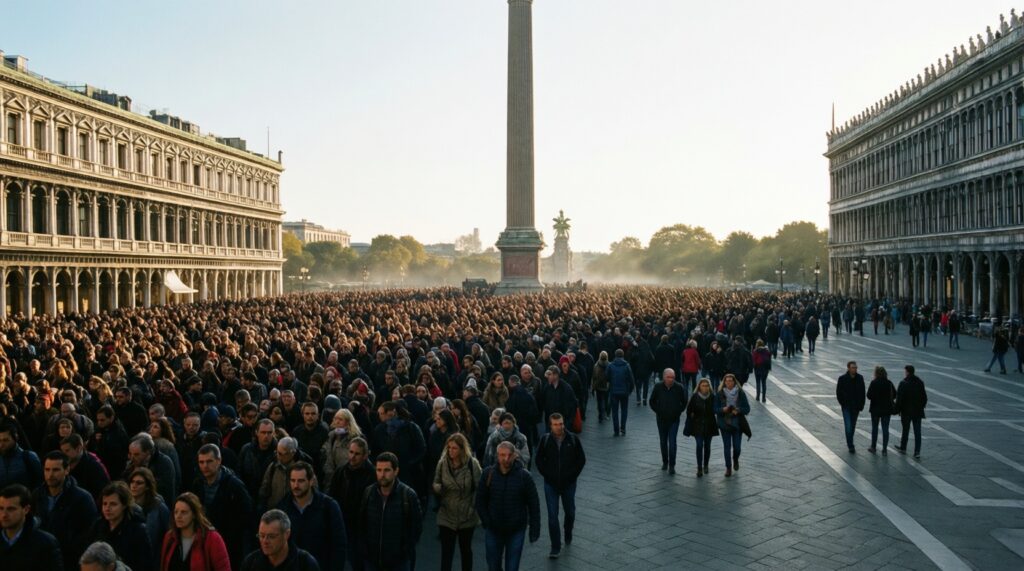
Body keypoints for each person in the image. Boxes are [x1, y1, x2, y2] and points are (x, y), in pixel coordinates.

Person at [475, 441, 540, 571]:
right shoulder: (488, 474)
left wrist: (534, 529)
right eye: (501, 455)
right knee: (493, 566)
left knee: (512, 567)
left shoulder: (524, 476)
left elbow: (534, 504)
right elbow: (480, 500)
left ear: (514, 455)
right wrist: (487, 521)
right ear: (497, 456)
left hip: (516, 529)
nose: (505, 458)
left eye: (508, 455)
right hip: (494, 528)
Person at [192, 443, 254, 571]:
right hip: (204, 542)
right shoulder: (197, 484)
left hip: (229, 544)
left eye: (209, 461)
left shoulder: (234, 486)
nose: (205, 466)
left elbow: (247, 517)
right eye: (201, 462)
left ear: (219, 461)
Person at [33, 450, 98, 570]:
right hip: (42, 560)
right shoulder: (37, 495)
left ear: (66, 470)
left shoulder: (82, 499)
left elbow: (89, 534)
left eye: (55, 470)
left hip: (70, 561)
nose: (50, 475)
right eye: (47, 470)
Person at [358, 451, 422, 571]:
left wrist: (404, 551)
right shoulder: (368, 493)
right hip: (372, 561)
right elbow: (362, 524)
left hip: (398, 563)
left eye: (387, 470)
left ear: (396, 471)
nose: (382, 474)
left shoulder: (408, 495)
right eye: (379, 470)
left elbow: (416, 528)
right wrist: (364, 549)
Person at [277, 461, 346, 571]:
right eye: (293, 481)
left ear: (311, 481)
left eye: (301, 481)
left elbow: (339, 545)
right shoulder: (283, 507)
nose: (296, 485)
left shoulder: (328, 506)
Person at [534, 413, 585, 559]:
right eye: (556, 424)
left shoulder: (573, 439)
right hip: (551, 484)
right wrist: (547, 474)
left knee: (570, 512)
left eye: (561, 424)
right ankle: (555, 546)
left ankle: (568, 531)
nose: (559, 427)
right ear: (550, 425)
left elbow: (581, 460)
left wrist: (572, 475)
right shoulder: (545, 440)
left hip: (568, 483)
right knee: (552, 516)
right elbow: (538, 460)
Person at [432, 433, 481, 571]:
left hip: (466, 513)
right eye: (449, 448)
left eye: (454, 448)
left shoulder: (472, 464)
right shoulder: (442, 464)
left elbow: (479, 488)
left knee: (466, 550)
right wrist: (437, 488)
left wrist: (472, 507)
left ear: (461, 449)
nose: (451, 451)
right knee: (446, 552)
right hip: (447, 513)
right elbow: (436, 481)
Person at [328, 437, 374, 571]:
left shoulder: (371, 474)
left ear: (365, 455)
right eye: (351, 452)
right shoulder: (341, 471)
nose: (352, 457)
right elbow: (332, 496)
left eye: (357, 454)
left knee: (358, 562)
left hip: (361, 527)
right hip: (342, 522)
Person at [86, 481, 154, 571]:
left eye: (113, 504)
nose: (107, 508)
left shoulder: (138, 530)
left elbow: (144, 564)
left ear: (124, 505)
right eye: (104, 504)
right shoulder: (98, 526)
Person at [159, 492, 231, 571]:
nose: (178, 516)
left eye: (184, 512)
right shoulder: (170, 537)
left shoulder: (212, 538)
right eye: (176, 512)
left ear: (194, 514)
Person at [0, 483, 62, 570]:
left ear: (26, 509)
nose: (4, 515)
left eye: (11, 509)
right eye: (1, 508)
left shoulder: (45, 543)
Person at [241, 510, 319, 571]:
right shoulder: (250, 563)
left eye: (271, 536)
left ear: (286, 534)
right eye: (261, 535)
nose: (265, 541)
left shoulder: (305, 564)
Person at [128, 467, 171, 563]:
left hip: (155, 559)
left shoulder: (159, 508)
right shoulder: (127, 507)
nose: (134, 485)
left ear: (147, 486)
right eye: (132, 482)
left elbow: (169, 533)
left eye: (139, 483)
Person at [649, 368, 687, 474]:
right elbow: (651, 401)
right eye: (668, 377)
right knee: (663, 441)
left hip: (674, 419)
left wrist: (678, 411)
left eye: (672, 377)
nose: (671, 379)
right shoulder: (658, 387)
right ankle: (665, 462)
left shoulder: (679, 387)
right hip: (661, 419)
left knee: (672, 442)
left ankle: (672, 465)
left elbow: (684, 402)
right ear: (664, 377)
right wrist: (658, 411)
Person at [714, 374, 750, 477]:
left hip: (737, 423)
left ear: (734, 382)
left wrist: (738, 410)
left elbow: (747, 408)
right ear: (724, 382)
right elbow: (715, 409)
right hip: (724, 423)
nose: (729, 383)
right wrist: (722, 410)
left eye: (731, 381)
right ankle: (728, 467)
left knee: (737, 447)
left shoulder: (740, 393)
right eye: (727, 381)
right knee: (727, 446)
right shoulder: (719, 394)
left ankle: (735, 459)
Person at [321, 409, 362, 488]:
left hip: (349, 479)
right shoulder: (331, 436)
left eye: (340, 419)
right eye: (335, 419)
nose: (337, 422)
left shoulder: (355, 438)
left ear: (348, 422)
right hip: (331, 478)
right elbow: (326, 455)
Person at [686, 378, 719, 477]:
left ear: (709, 387)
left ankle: (706, 465)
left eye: (707, 385)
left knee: (707, 446)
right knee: (699, 445)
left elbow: (716, 410)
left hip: (710, 425)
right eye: (703, 385)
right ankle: (699, 467)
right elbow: (688, 410)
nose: (705, 387)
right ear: (699, 387)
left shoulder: (713, 397)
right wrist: (691, 415)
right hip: (697, 425)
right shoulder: (695, 397)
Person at [895, 365, 928, 459]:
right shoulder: (920, 382)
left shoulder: (903, 383)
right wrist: (921, 406)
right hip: (917, 412)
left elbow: (899, 399)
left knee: (905, 430)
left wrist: (897, 410)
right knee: (917, 432)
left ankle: (903, 448)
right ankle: (917, 451)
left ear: (907, 372)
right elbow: (924, 397)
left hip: (906, 412)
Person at [0, 421, 42, 489]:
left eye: (5, 440)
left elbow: (40, 484)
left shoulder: (29, 457)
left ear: (15, 438)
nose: (1, 444)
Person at [835, 361, 866, 453]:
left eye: (856, 367)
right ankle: (850, 445)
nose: (855, 369)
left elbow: (862, 393)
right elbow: (838, 392)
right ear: (848, 368)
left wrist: (861, 405)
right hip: (846, 406)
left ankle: (850, 440)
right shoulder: (842, 378)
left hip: (856, 406)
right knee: (848, 426)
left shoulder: (860, 378)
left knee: (852, 426)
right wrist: (842, 403)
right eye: (853, 367)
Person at [865, 366, 896, 454]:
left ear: (876, 373)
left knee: (875, 428)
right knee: (885, 429)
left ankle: (873, 447)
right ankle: (884, 449)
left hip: (875, 409)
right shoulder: (889, 383)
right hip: (886, 410)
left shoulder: (874, 383)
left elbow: (869, 396)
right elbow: (895, 394)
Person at [606, 349, 635, 436]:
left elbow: (607, 377)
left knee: (614, 411)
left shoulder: (611, 365)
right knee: (624, 410)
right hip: (624, 391)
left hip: (614, 391)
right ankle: (623, 428)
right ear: (623, 355)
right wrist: (629, 390)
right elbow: (631, 379)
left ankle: (616, 430)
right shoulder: (627, 365)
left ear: (615, 355)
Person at [590, 351, 610, 423]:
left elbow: (594, 377)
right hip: (606, 387)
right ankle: (606, 413)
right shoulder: (609, 365)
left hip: (598, 387)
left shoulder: (596, 365)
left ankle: (600, 415)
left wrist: (593, 388)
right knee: (606, 400)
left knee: (599, 401)